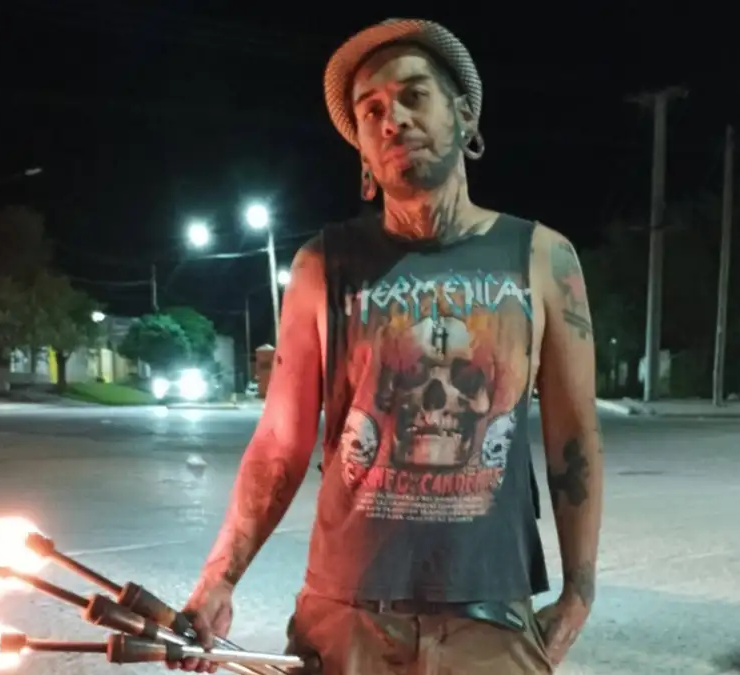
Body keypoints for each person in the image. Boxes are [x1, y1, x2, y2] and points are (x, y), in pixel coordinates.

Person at [177, 18, 604, 675]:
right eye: (371, 110)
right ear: (363, 155)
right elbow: (280, 442)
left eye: (413, 96)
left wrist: (579, 591)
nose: (392, 118)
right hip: (347, 618)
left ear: (465, 116)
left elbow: (573, 435)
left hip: (490, 617)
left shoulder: (544, 258)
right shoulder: (322, 267)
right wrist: (219, 576)